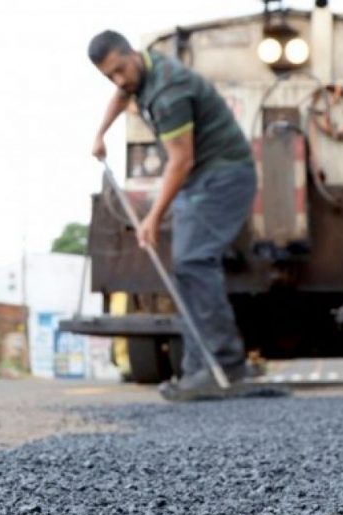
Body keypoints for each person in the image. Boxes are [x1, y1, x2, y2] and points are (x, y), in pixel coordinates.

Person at [88, 30, 256, 399]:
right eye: (109, 76)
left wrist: (151, 218)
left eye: (120, 69)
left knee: (194, 261)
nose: (119, 80)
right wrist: (101, 134)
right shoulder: (140, 73)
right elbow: (122, 94)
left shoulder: (168, 92)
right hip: (201, 180)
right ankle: (200, 370)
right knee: (186, 268)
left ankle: (225, 365)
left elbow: (181, 161)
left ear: (132, 53)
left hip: (224, 175)